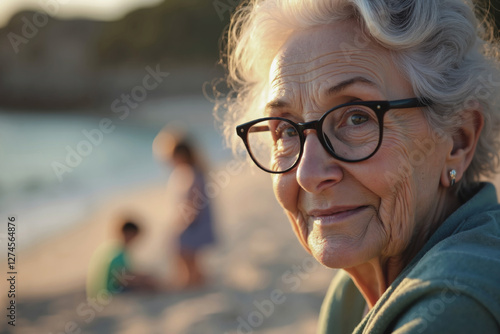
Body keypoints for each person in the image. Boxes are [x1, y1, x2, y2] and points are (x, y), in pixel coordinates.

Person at [218, 0, 500, 333]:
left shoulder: (455, 304)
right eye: (288, 130)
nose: (308, 175)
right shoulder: (353, 291)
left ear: (457, 140)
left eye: (357, 117)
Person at [154, 130, 216, 289]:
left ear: (181, 156)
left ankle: (191, 280)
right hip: (195, 221)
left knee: (183, 252)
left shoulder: (191, 174)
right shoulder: (191, 172)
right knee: (189, 255)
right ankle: (195, 278)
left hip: (194, 223)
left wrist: (180, 223)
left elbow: (192, 205)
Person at [87, 219, 157, 298]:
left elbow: (124, 272)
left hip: (99, 290)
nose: (135, 242)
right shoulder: (118, 253)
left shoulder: (110, 248)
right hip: (109, 292)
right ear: (128, 233)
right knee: (148, 284)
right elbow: (121, 278)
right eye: (135, 237)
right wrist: (143, 279)